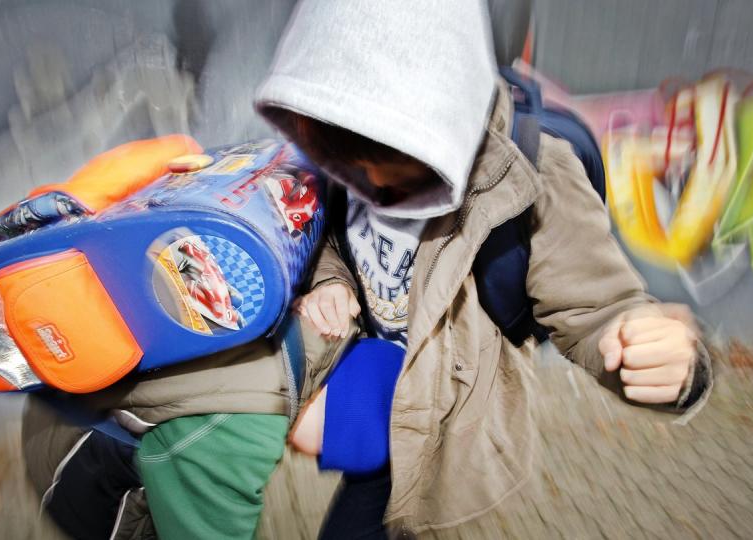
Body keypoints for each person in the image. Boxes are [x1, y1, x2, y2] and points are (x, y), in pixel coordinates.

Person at [253, 0, 713, 536]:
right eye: (357, 176)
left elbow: (599, 309)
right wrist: (330, 282)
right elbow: (332, 235)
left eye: (405, 183)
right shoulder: (343, 137)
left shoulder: (536, 171)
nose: (377, 194)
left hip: (444, 440)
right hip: (369, 388)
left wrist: (664, 360)